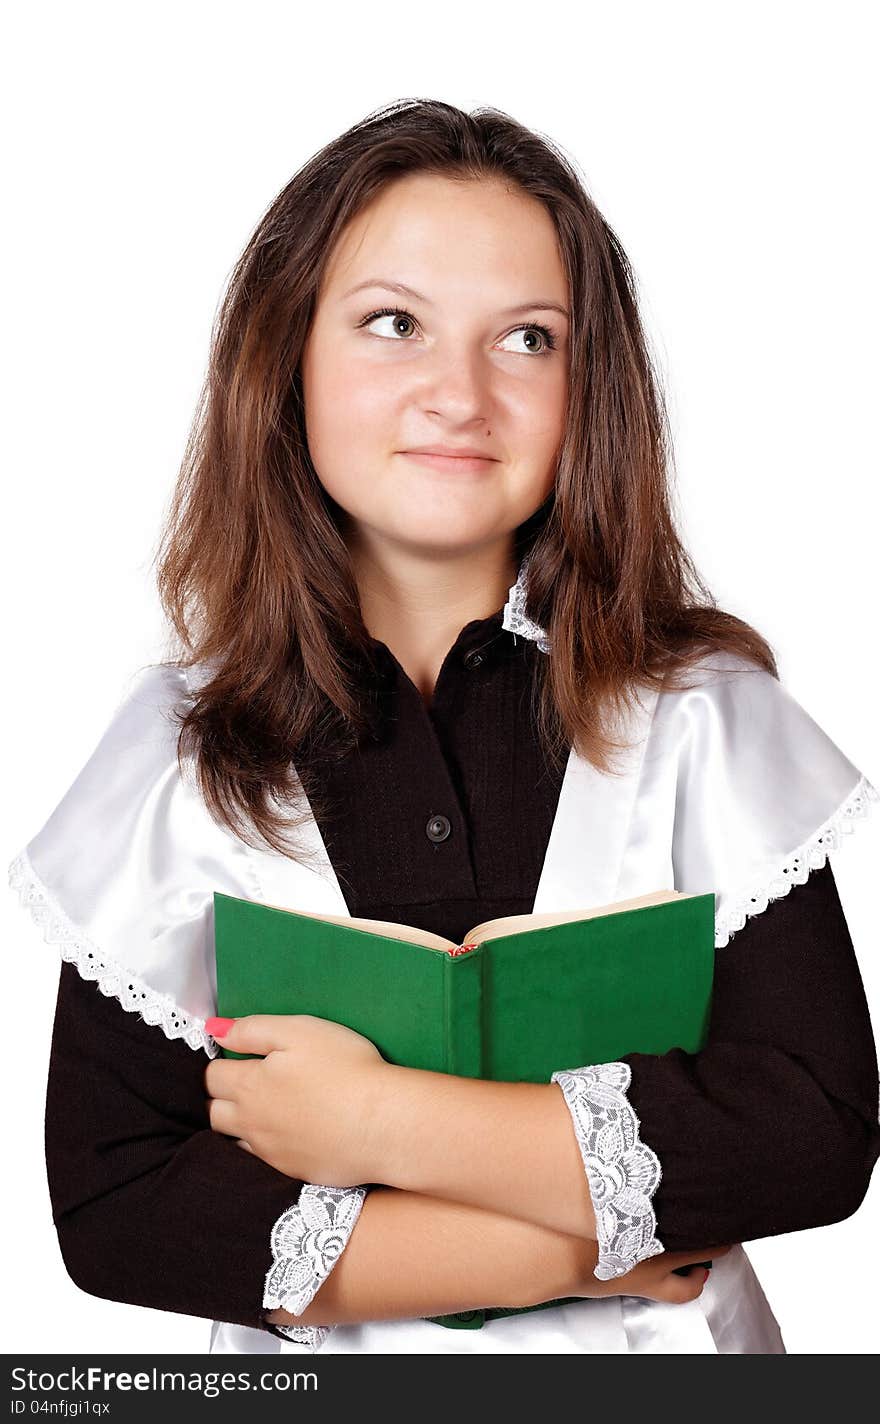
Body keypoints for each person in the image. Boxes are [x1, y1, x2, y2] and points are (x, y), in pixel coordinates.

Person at [9, 99, 880, 1356]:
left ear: (594, 388)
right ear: (284, 357)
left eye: (526, 337)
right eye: (392, 323)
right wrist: (589, 1242)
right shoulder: (181, 748)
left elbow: (810, 1131)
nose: (459, 393)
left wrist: (378, 1123)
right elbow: (118, 1204)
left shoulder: (699, 715)